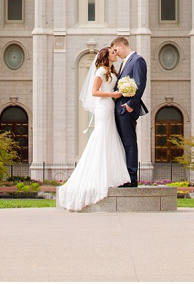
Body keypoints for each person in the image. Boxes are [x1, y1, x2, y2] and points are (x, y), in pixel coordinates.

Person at [55, 47, 129, 211]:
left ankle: (109, 175)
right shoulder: (101, 71)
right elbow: (94, 92)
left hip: (110, 106)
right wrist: (113, 95)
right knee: (101, 136)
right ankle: (98, 176)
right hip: (104, 106)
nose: (115, 54)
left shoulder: (112, 71)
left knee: (110, 137)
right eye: (112, 53)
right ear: (106, 56)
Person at [111, 35, 148, 187]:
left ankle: (132, 178)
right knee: (123, 143)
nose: (115, 53)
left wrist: (131, 105)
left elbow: (140, 83)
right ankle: (124, 175)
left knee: (129, 143)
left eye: (115, 50)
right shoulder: (124, 63)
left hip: (127, 109)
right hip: (119, 109)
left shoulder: (138, 60)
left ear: (122, 45)